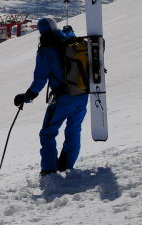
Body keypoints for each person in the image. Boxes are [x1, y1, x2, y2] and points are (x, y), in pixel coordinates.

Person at [14, 18, 89, 175]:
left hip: (63, 98)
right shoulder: (70, 40)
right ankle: (67, 163)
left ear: (41, 32)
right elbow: (70, 34)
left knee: (48, 133)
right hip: (82, 94)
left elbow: (40, 79)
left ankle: (49, 169)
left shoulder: (46, 50)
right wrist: (69, 30)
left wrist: (26, 97)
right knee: (74, 129)